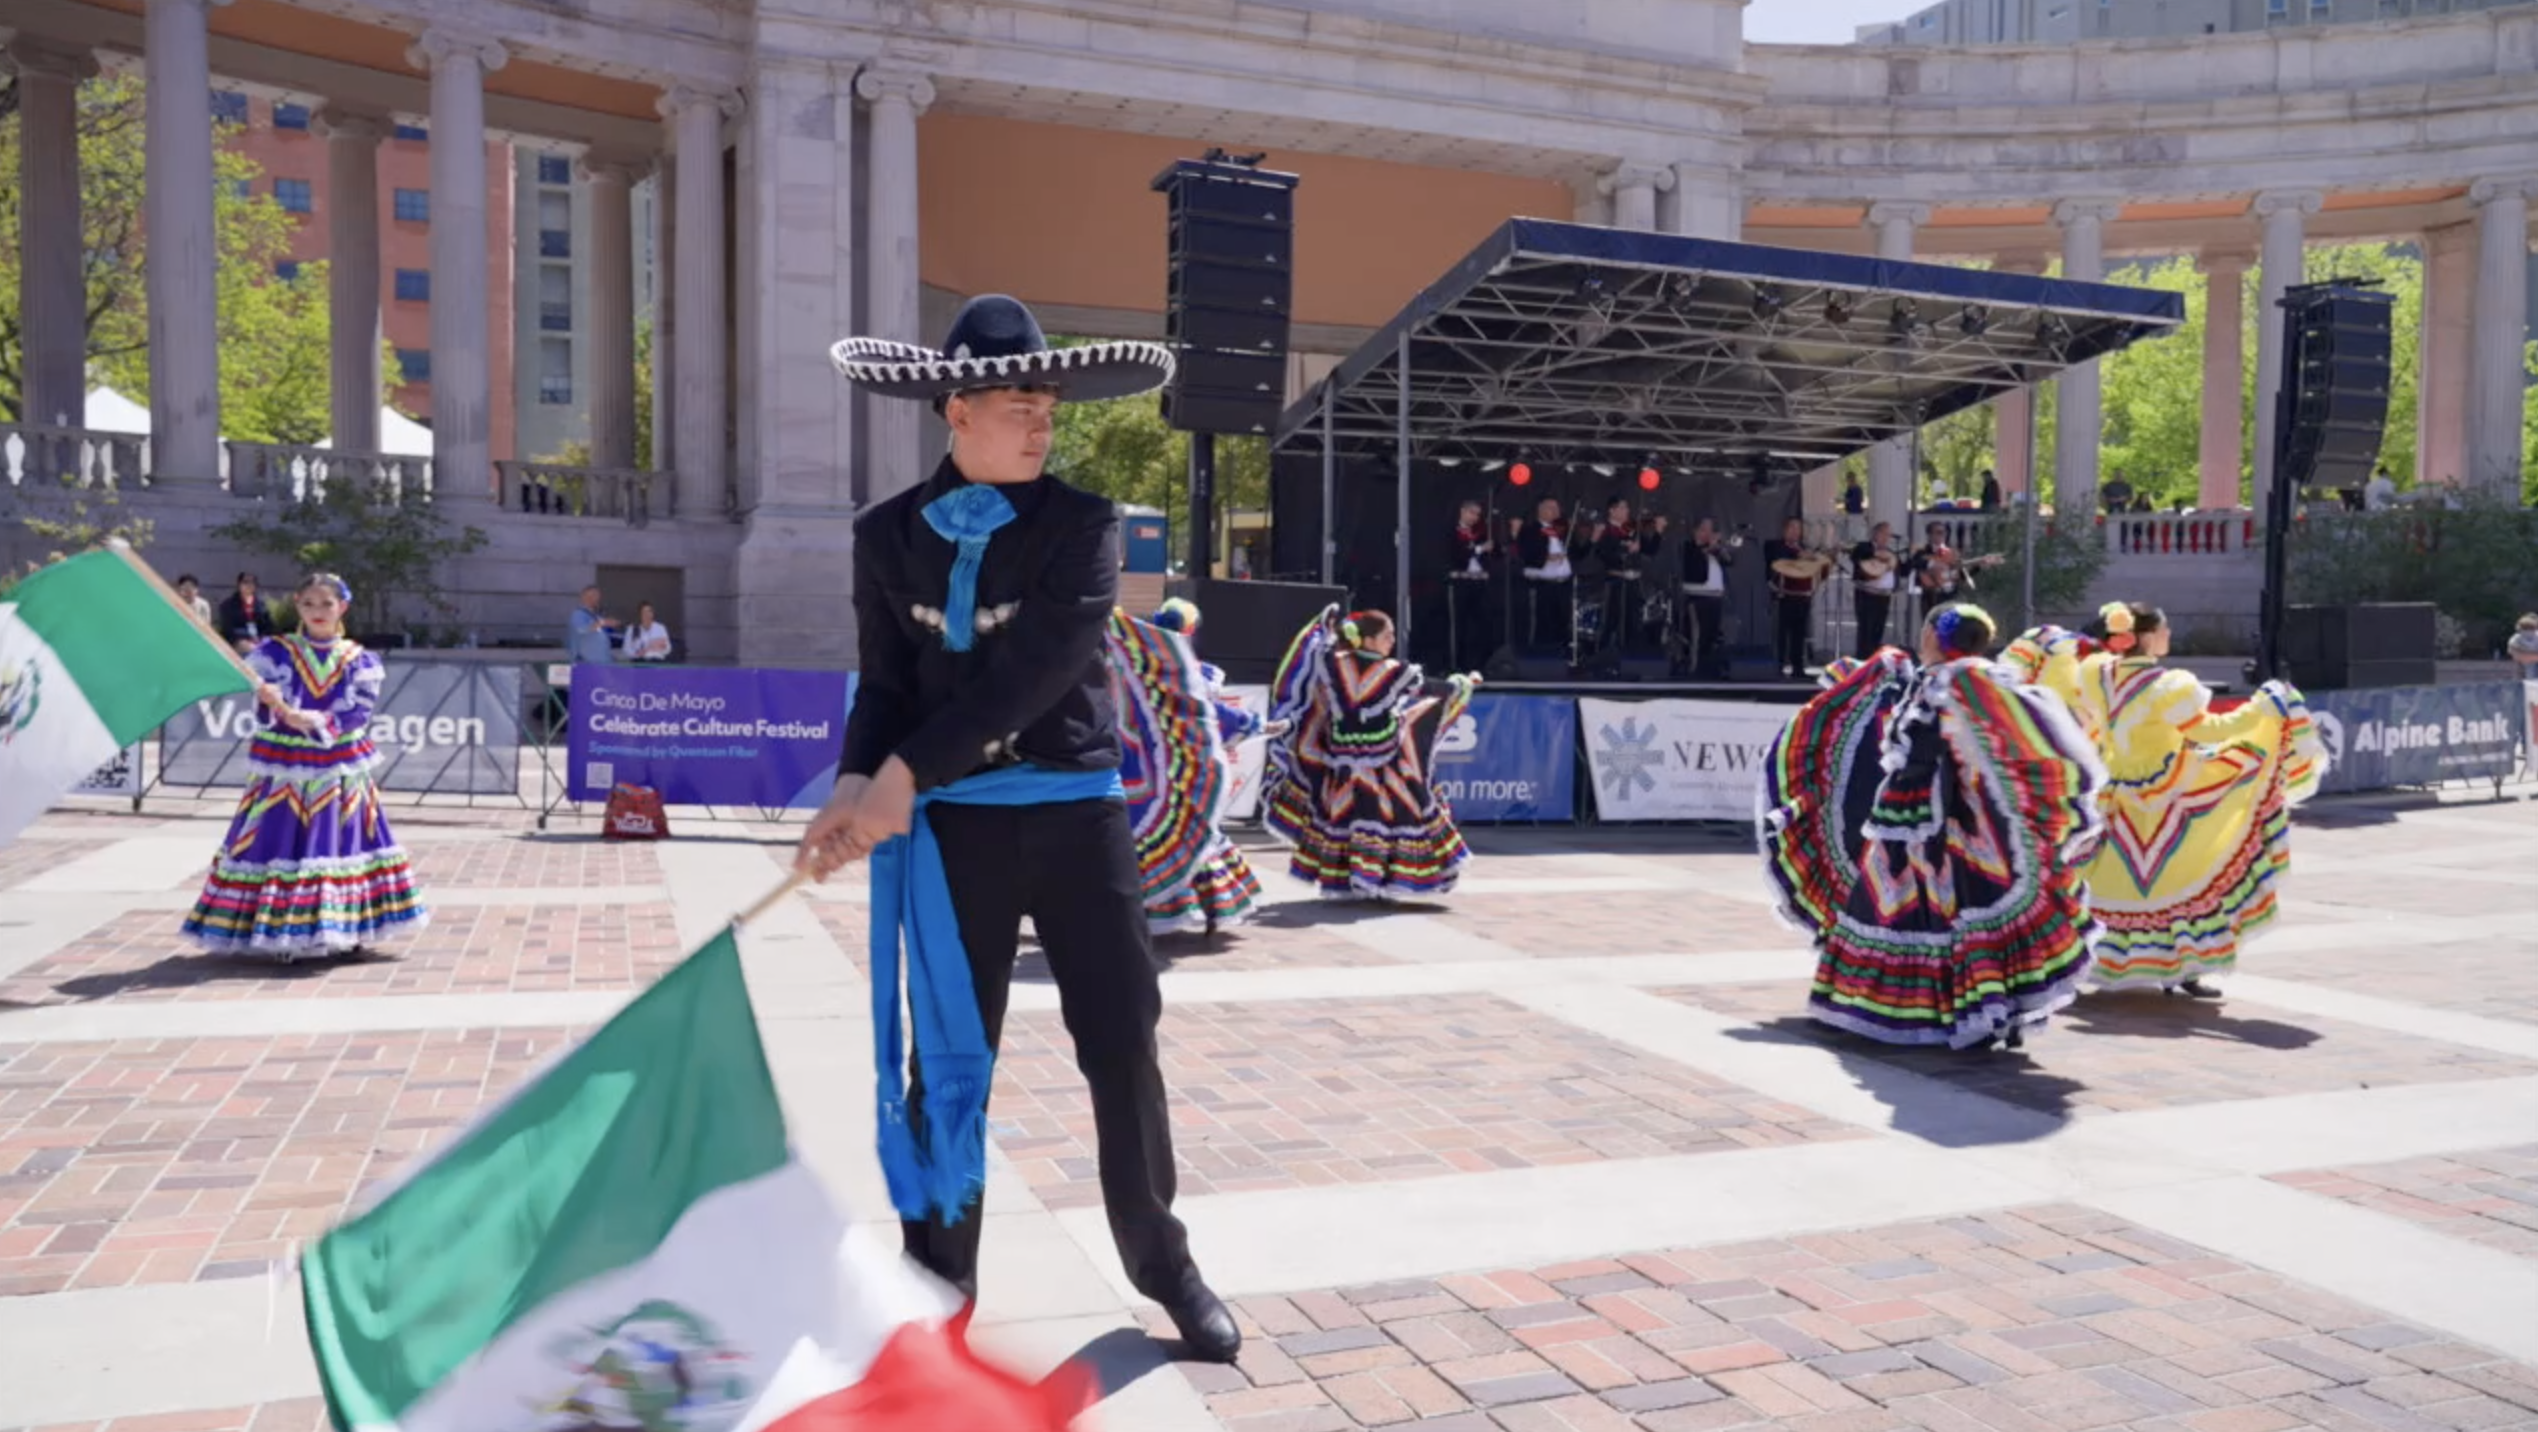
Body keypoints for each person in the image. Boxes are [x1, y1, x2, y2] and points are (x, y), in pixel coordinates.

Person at [804, 294, 1239, 1362]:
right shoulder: (883, 535)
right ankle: (938, 1289)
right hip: (955, 834)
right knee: (948, 1058)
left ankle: (1161, 1260)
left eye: (1047, 400)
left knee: (1123, 1034)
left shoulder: (1086, 527)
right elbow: (886, 680)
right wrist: (853, 778)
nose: (1043, 420)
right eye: (1017, 401)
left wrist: (901, 772)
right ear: (956, 408)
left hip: (1074, 817)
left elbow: (1029, 678)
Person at [1759, 603, 2107, 1051]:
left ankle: (1946, 1007)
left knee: (1916, 906)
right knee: (1937, 909)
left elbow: (1955, 737)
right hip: (1927, 813)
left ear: (1934, 637)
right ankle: (1969, 1008)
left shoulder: (1963, 679)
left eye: (1926, 630)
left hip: (1937, 815)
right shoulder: (1958, 677)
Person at [2010, 604, 2328, 999]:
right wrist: (2263, 708)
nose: (2168, 636)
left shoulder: (2098, 673)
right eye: (2164, 630)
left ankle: (2091, 960)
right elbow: (2210, 731)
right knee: (2178, 878)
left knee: (2106, 881)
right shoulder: (2168, 685)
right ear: (2144, 637)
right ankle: (2181, 969)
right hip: (2168, 797)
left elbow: (2083, 707)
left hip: (2115, 794)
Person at [182, 573, 427, 959]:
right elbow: (263, 704)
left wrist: (315, 721)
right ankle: (285, 931)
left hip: (338, 763)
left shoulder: (359, 659)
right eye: (309, 603)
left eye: (326, 604)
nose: (317, 611)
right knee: (281, 836)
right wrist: (271, 701)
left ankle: (347, 926)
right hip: (284, 761)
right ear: (296, 604)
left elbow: (359, 711)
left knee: (340, 839)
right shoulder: (274, 652)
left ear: (342, 608)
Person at [1261, 607, 1476, 901]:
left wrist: (1324, 627)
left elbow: (1310, 655)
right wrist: (1461, 685)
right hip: (1384, 760)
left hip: (1343, 760)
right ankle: (1375, 877)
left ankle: (1356, 878)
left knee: (1349, 816)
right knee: (1396, 812)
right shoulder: (1394, 672)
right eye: (1386, 636)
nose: (1391, 641)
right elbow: (1431, 688)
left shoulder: (1332, 664)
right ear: (1369, 640)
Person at [1114, 599, 1265, 937]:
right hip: (1176, 767)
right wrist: (1253, 723)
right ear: (1190, 631)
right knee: (1189, 829)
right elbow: (1209, 716)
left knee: (1134, 834)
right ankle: (1193, 906)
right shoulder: (1190, 672)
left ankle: (1132, 910)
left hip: (1131, 766)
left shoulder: (1127, 664)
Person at [1762, 517, 1830, 680]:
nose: (1795, 532)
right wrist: (1799, 554)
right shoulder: (1774, 545)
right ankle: (1778, 667)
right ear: (1784, 530)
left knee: (1799, 634)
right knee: (1781, 633)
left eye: (1798, 529)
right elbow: (1777, 561)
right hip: (1783, 596)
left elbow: (1817, 568)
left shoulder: (1806, 549)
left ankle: (1797, 668)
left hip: (1802, 596)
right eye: (1792, 528)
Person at [1514, 496, 1573, 658]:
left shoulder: (1561, 531)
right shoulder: (1530, 530)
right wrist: (1548, 557)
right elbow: (1526, 553)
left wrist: (1592, 539)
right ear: (1540, 509)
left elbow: (1576, 553)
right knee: (1543, 622)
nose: (1556, 512)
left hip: (1562, 584)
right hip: (1543, 584)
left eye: (1557, 508)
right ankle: (1541, 658)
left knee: (1562, 622)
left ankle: (1563, 658)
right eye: (1551, 508)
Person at [1678, 516, 1734, 678]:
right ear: (1696, 531)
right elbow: (1692, 565)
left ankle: (1710, 670)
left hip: (1715, 597)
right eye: (1704, 529)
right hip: (1697, 597)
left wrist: (1718, 548)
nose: (1708, 533)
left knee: (1712, 636)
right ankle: (1694, 671)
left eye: (1711, 529)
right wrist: (1707, 548)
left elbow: (1729, 561)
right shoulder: (1688, 547)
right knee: (1697, 636)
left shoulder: (1714, 549)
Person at [1849, 521, 1901, 660]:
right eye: (1884, 533)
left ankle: (1873, 662)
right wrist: (1877, 554)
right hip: (1866, 595)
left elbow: (1903, 569)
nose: (1886, 537)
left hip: (1883, 596)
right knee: (1866, 630)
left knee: (1878, 630)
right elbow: (1855, 555)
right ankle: (1862, 663)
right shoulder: (1864, 547)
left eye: (1888, 535)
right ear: (1875, 534)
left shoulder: (1891, 553)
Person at [216, 571, 274, 652]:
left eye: (252, 582)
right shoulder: (227, 605)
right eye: (245, 582)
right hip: (237, 642)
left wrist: (261, 638)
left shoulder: (261, 605)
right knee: (250, 650)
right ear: (239, 585)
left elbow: (269, 627)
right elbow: (227, 629)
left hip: (258, 640)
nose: (249, 585)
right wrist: (245, 639)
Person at [566, 585, 619, 666]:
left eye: (597, 596)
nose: (596, 599)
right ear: (584, 597)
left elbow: (603, 633)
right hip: (586, 664)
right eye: (593, 595)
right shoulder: (577, 614)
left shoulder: (596, 616)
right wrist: (603, 623)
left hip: (603, 663)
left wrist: (612, 623)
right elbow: (582, 629)